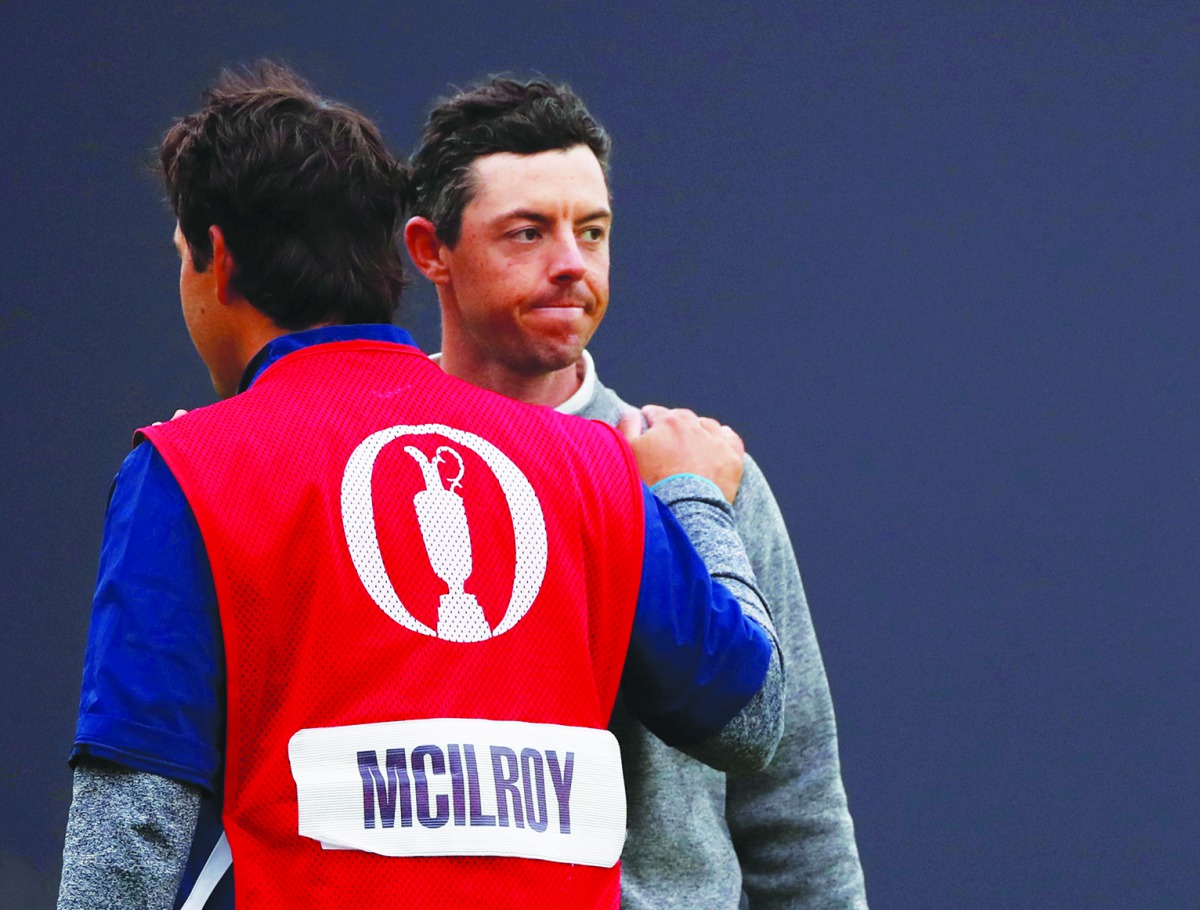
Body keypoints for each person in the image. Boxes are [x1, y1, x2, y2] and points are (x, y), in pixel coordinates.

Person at [56, 64, 784, 910]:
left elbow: (134, 828)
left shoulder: (190, 467)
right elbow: (752, 719)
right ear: (398, 256)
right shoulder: (591, 464)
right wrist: (694, 499)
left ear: (216, 260)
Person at [403, 77, 869, 909]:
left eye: (593, 231)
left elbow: (793, 801)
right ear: (430, 250)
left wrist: (690, 498)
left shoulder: (701, 473)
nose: (572, 263)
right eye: (527, 232)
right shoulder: (369, 472)